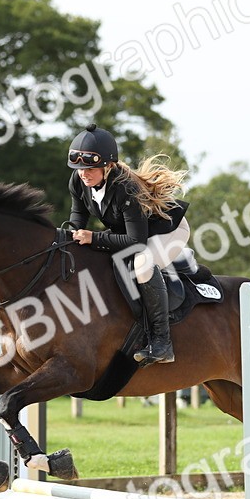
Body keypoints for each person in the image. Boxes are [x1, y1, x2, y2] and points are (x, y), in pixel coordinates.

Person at [66, 123, 190, 366]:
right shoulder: (79, 180)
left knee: (142, 264)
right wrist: (69, 236)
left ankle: (162, 342)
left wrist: (93, 237)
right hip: (135, 232)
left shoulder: (126, 188)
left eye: (90, 168)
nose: (83, 173)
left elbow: (136, 242)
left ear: (109, 166)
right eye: (79, 167)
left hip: (169, 231)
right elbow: (77, 217)